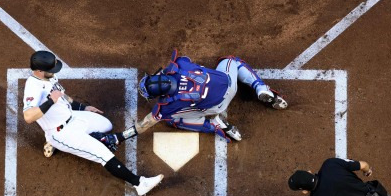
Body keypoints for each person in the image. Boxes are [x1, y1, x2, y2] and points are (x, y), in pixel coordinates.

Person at [22, 50, 163, 196]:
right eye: (51, 70)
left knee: (107, 125)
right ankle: (139, 184)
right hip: (61, 132)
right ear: (39, 71)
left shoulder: (48, 77)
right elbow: (28, 116)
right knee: (103, 154)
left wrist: (83, 108)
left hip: (74, 117)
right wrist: (51, 100)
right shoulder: (33, 87)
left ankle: (93, 138)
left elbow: (62, 96)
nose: (54, 72)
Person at [94, 50, 288, 148]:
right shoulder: (179, 64)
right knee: (229, 61)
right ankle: (261, 88)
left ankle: (216, 126)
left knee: (171, 120)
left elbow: (144, 125)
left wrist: (119, 137)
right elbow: (182, 60)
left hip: (218, 106)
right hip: (229, 84)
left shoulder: (166, 106)